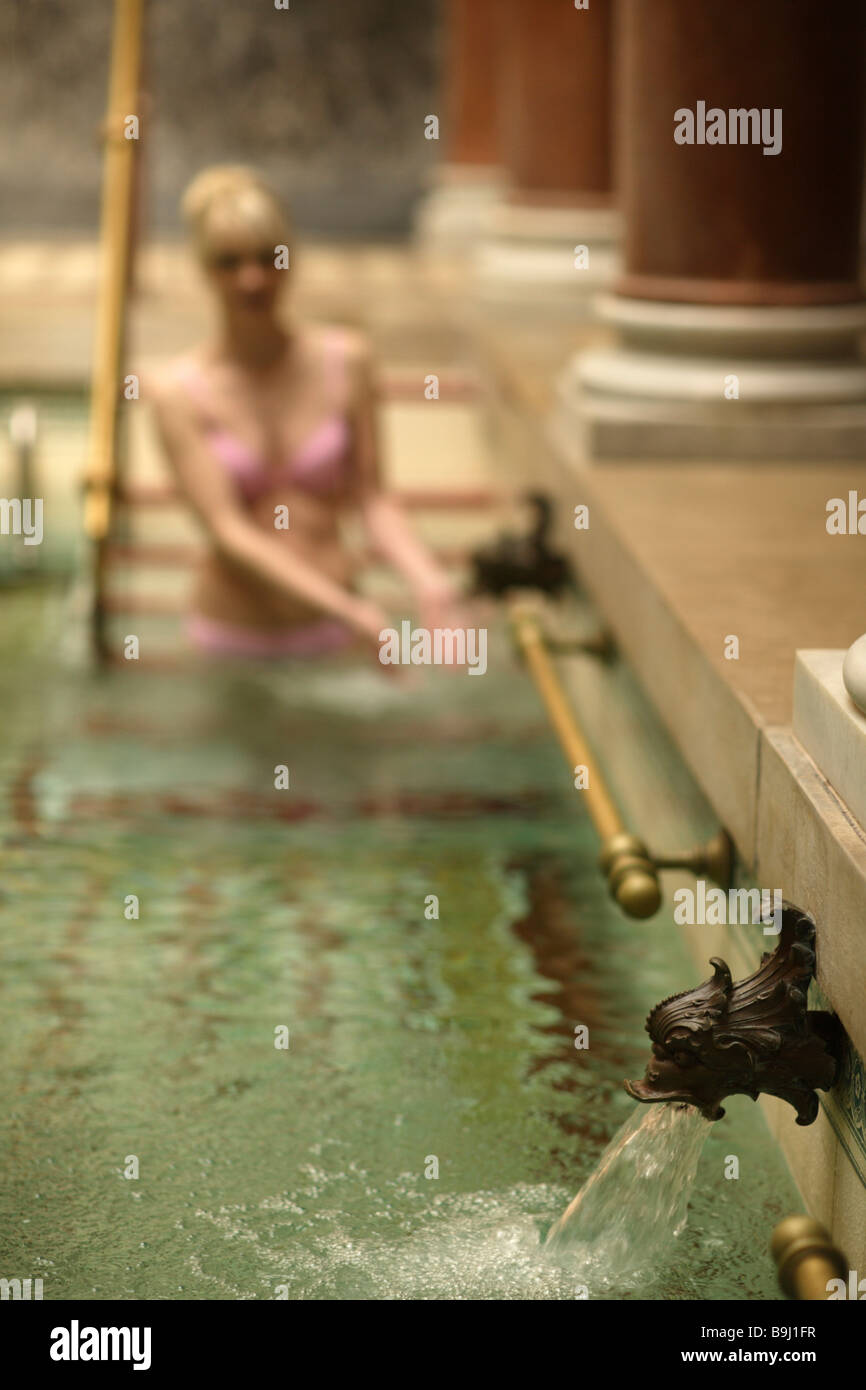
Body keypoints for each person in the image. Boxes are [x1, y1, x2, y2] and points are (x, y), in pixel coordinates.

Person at [149, 165, 461, 663]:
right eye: (229, 263)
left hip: (335, 634)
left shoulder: (347, 361)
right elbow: (228, 532)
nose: (251, 279)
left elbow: (373, 496)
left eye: (267, 258)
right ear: (205, 270)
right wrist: (348, 610)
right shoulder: (176, 392)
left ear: (290, 259)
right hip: (233, 638)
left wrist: (429, 580)